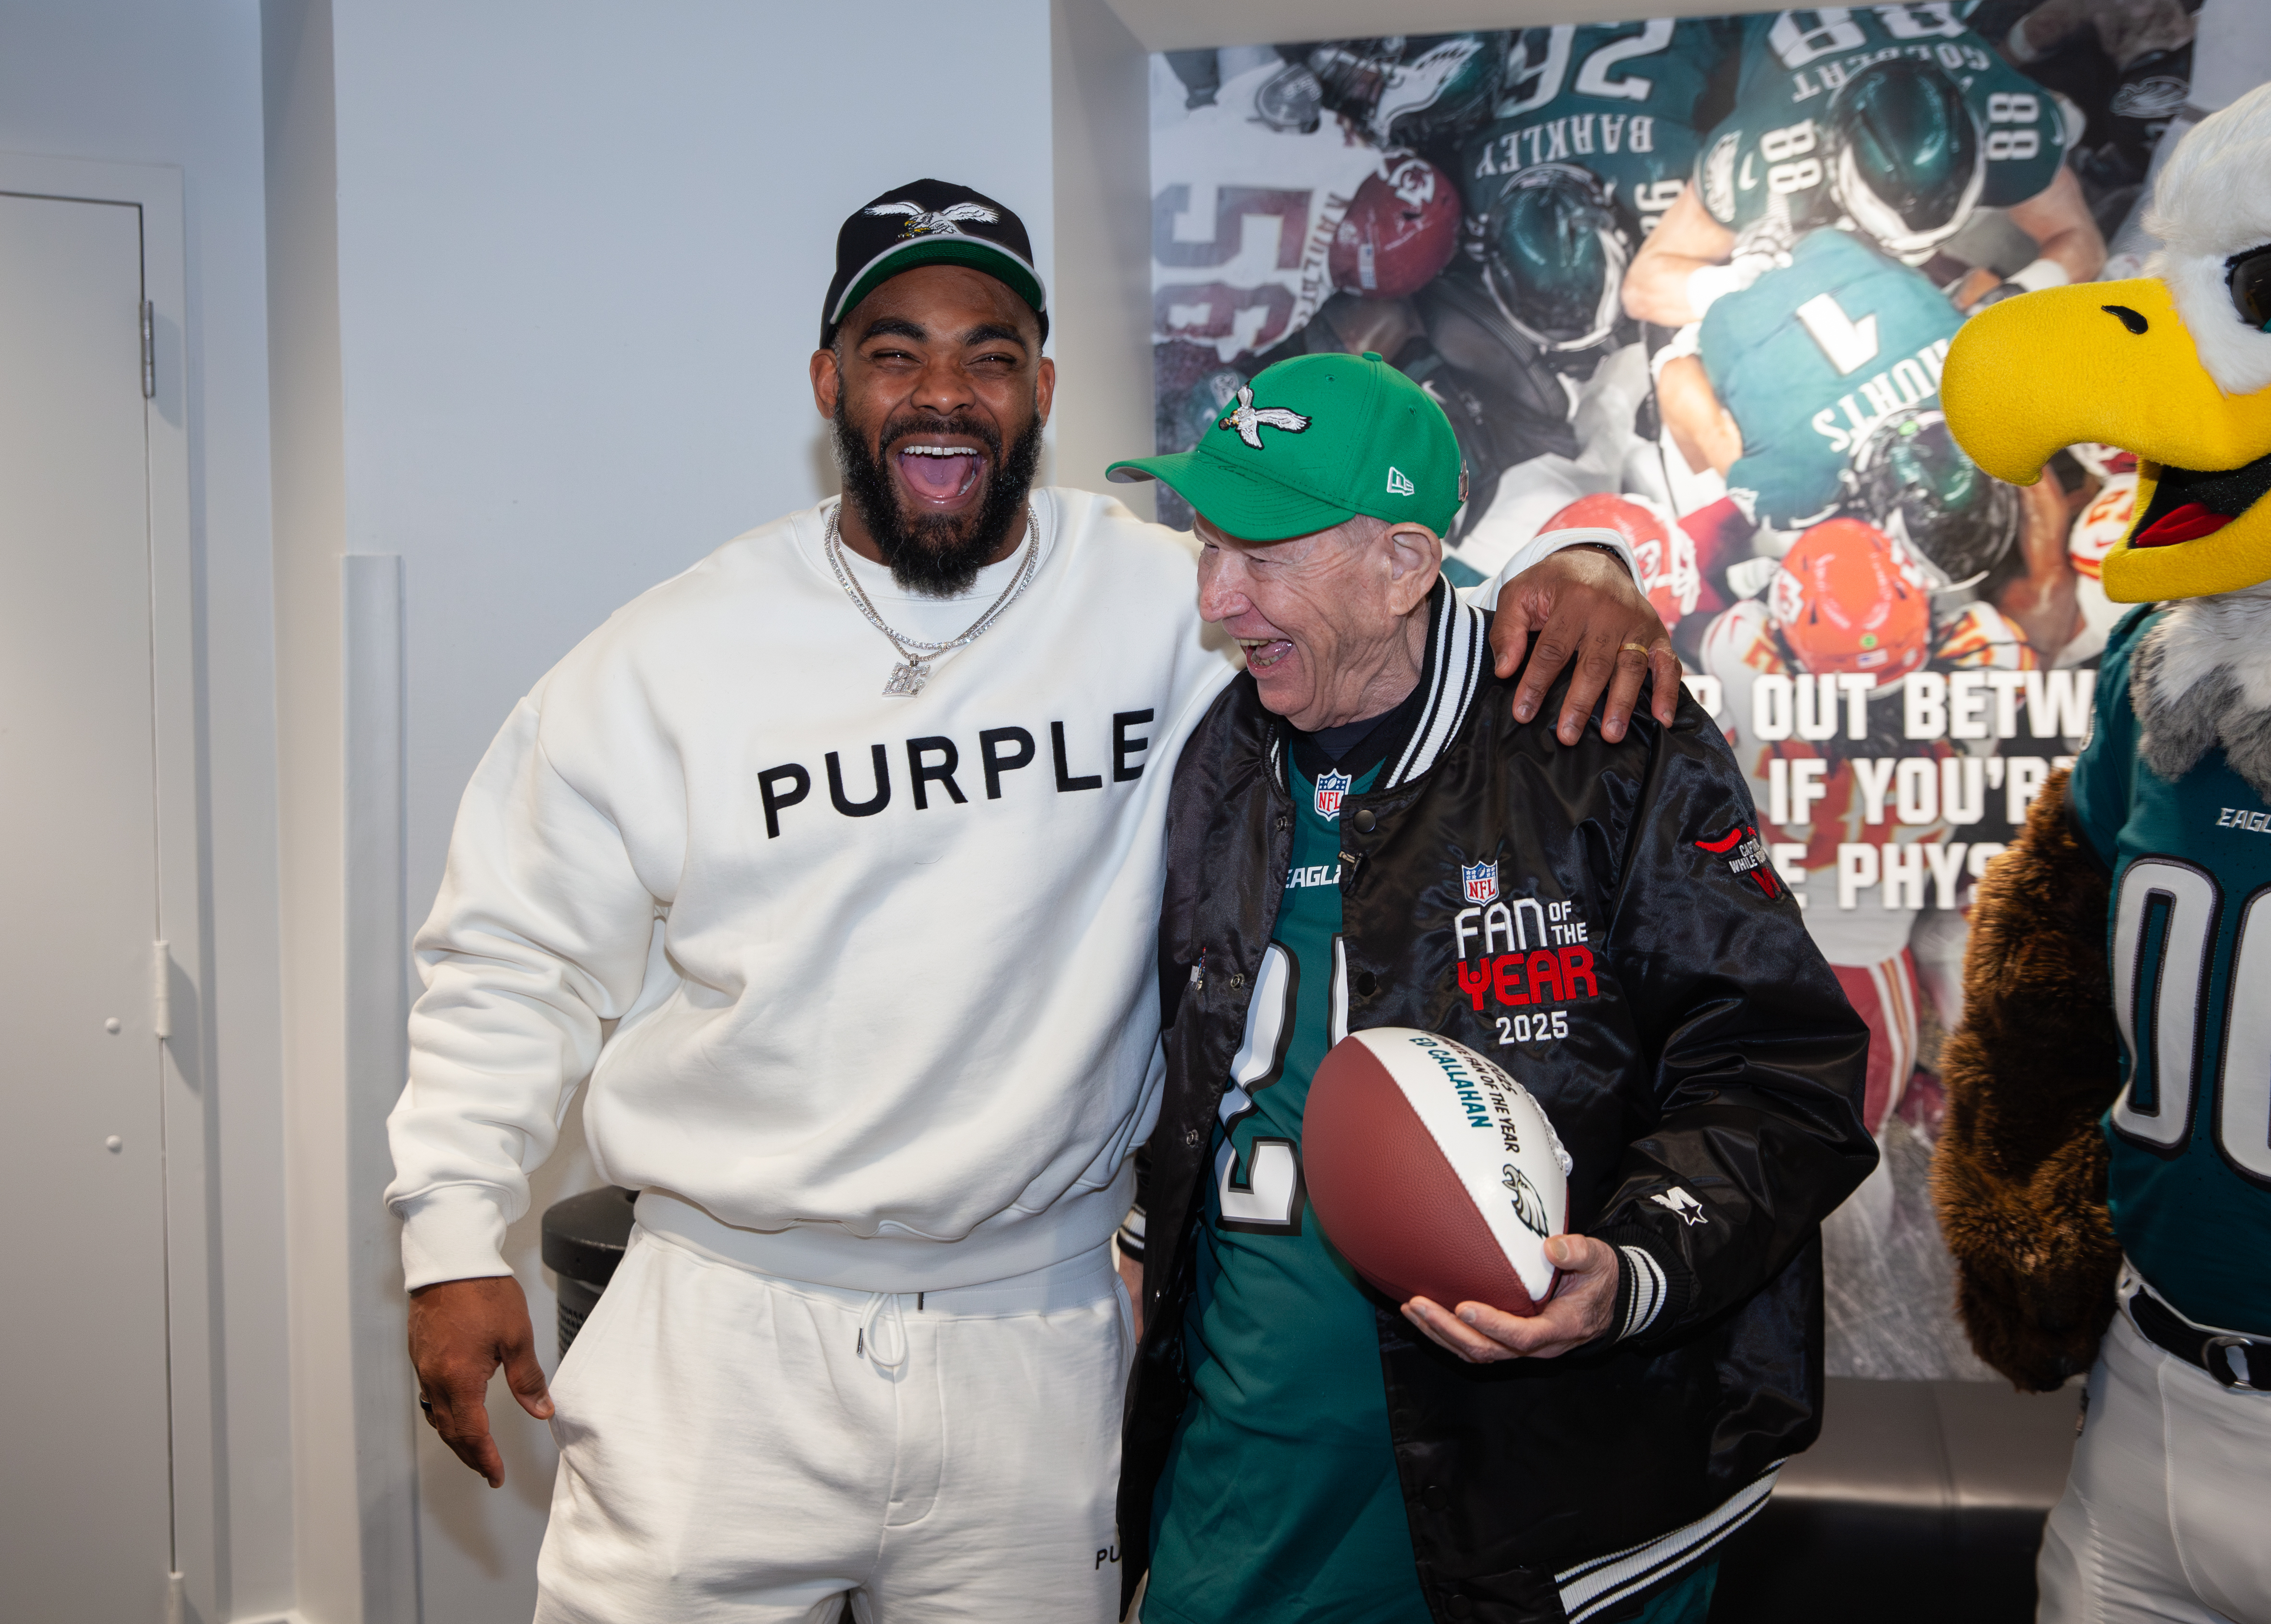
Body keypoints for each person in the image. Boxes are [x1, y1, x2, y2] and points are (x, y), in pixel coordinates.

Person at [386, 179, 1678, 1624]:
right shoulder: (671, 655)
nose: (945, 394)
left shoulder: (1173, 599)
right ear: (830, 383)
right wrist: (450, 1236)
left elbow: (1396, 599)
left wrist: (1589, 558)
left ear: (1042, 387)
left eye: (990, 355)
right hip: (724, 1332)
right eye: (895, 352)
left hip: (1038, 1334)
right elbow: (513, 958)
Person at [1107, 349, 1874, 1624]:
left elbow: (1776, 1071)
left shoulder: (1598, 740)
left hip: (1553, 1502)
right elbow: (1191, 1059)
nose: (1216, 596)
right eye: (1204, 545)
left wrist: (1629, 1268)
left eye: (1262, 552)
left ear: (1406, 565)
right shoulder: (1221, 746)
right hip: (1245, 1484)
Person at [1623, 9, 2104, 327]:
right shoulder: (1763, 152)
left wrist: (2009, 301)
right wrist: (1745, 285)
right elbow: (1643, 288)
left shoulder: (2006, 114)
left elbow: (2083, 242)